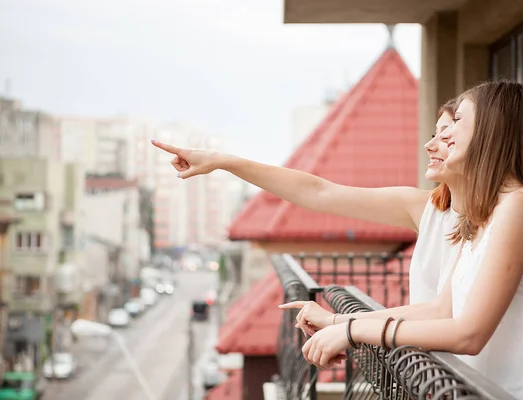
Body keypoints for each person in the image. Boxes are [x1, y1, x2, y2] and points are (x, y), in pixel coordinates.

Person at [287, 81, 523, 400]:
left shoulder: (522, 207)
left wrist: (351, 331)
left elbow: (468, 334)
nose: (441, 136)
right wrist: (336, 320)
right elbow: (440, 311)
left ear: (493, 129)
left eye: (457, 121)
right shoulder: (482, 215)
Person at [151, 101, 462, 319]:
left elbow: (445, 316)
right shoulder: (427, 208)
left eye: (447, 134)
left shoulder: (500, 214)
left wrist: (342, 326)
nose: (431, 144)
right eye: (434, 133)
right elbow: (318, 192)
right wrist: (224, 161)